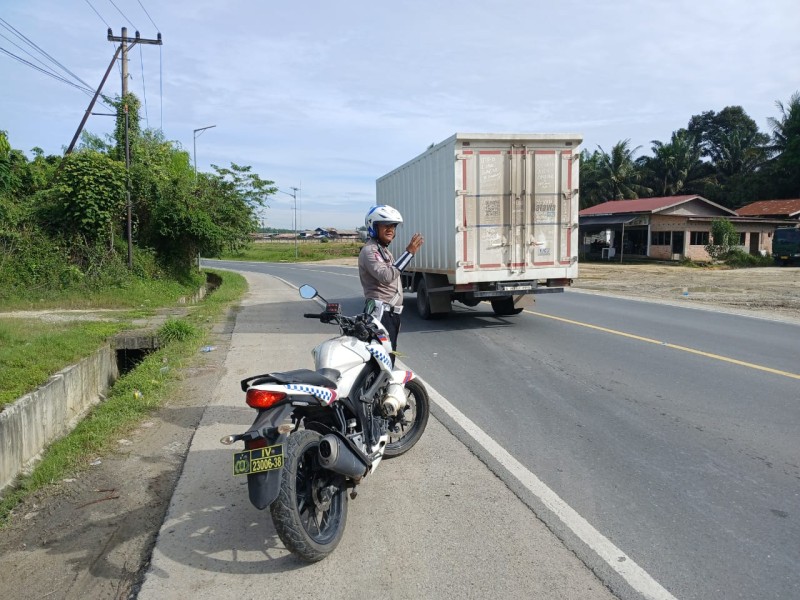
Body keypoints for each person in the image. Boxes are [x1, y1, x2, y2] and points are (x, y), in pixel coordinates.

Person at [358, 205, 424, 365]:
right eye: (385, 225)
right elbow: (387, 276)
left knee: (387, 361)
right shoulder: (370, 250)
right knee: (381, 363)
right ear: (374, 227)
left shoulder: (382, 250)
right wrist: (409, 253)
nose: (390, 229)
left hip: (389, 314)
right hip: (380, 314)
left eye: (393, 226)